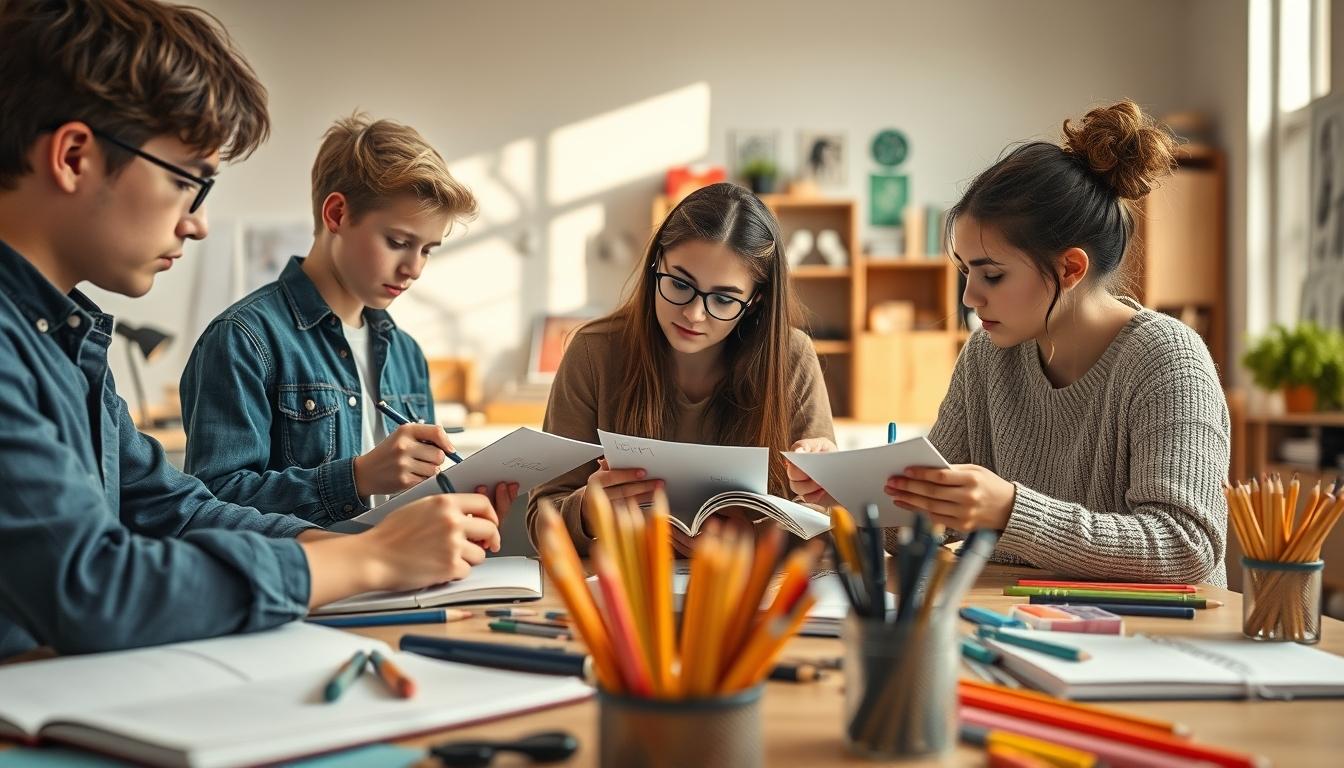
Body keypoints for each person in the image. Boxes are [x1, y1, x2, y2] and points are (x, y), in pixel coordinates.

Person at [0, 0, 499, 659]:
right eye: (189, 183)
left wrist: (371, 547)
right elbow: (91, 585)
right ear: (73, 156)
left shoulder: (64, 343)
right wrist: (368, 560)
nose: (197, 223)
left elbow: (176, 509)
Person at [790, 101, 1230, 585]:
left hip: (1152, 628)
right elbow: (922, 522)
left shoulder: (1168, 359)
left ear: (1070, 268)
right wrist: (849, 493)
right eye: (965, 272)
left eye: (992, 275)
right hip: (1020, 617)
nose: (969, 297)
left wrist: (1010, 510)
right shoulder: (987, 356)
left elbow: (1187, 547)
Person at [181, 113, 516, 525]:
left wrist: (457, 507)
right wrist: (356, 478)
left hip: (408, 565)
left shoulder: (406, 354)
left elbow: (413, 502)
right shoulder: (243, 340)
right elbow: (211, 507)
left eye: (427, 250)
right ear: (337, 214)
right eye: (398, 241)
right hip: (310, 569)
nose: (414, 268)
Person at [528, 182, 836, 553]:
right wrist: (587, 511)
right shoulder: (594, 352)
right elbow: (541, 520)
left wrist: (754, 537)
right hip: (622, 581)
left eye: (723, 299)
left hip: (751, 583)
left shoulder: (791, 358)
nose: (693, 314)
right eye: (679, 284)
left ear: (755, 301)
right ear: (656, 263)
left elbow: (827, 521)